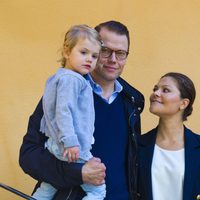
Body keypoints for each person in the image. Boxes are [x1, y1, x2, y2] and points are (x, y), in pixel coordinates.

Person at [19, 20, 145, 200]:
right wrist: (77, 172)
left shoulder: (132, 102)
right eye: (105, 51)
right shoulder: (63, 93)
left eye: (121, 53)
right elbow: (28, 156)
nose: (113, 60)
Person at [31, 24, 106, 200]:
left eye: (94, 56)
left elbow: (50, 111)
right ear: (66, 52)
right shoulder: (73, 80)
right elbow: (64, 111)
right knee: (98, 190)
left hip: (55, 145)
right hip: (72, 147)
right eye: (83, 52)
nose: (89, 59)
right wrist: (71, 142)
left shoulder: (59, 78)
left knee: (49, 185)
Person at [137, 72, 200, 200]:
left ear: (183, 103)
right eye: (155, 89)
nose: (156, 93)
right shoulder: (137, 144)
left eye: (165, 90)